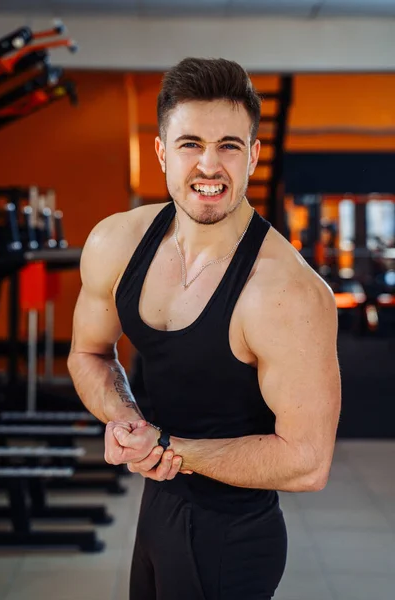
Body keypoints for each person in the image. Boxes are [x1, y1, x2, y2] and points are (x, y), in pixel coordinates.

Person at [68, 57, 341, 600]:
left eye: (230, 146)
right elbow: (88, 353)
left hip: (232, 535)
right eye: (191, 143)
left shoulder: (287, 293)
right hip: (159, 510)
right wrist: (126, 421)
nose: (209, 166)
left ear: (254, 155)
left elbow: (308, 462)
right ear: (162, 151)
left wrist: (166, 448)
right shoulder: (117, 243)